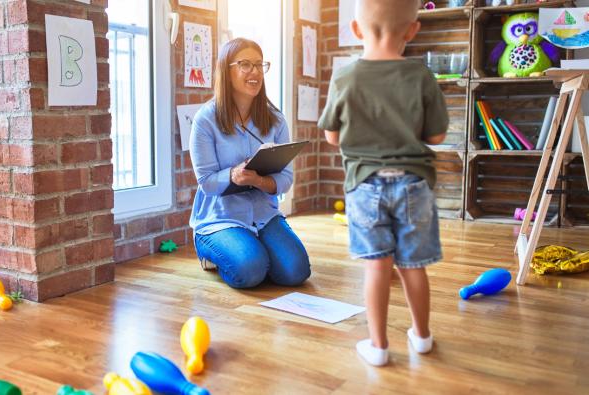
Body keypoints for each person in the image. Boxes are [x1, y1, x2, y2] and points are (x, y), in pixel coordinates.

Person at [318, 0, 449, 366]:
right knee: (413, 265)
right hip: (413, 184)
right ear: (412, 30)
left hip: (365, 184)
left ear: (357, 30)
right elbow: (436, 137)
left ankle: (378, 346)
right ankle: (421, 337)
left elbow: (332, 136)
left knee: (376, 265)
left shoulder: (345, 77)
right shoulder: (422, 76)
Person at [188, 38, 311, 289]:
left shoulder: (275, 119)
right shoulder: (205, 120)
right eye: (245, 64)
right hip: (220, 218)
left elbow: (286, 178)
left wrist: (258, 180)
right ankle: (210, 251)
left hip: (264, 214)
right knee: (250, 271)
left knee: (296, 272)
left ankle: (255, 251)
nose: (254, 71)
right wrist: (233, 174)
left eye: (259, 64)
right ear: (226, 69)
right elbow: (207, 183)